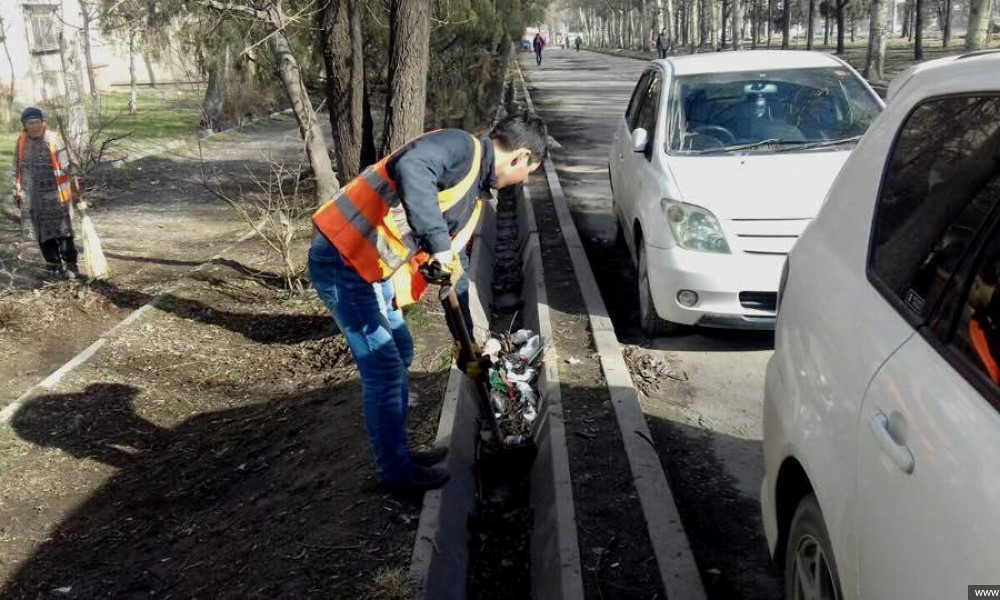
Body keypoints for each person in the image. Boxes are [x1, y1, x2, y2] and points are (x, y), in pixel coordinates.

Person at [308, 112, 549, 494]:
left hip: (368, 265)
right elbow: (412, 165)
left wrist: (467, 343)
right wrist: (436, 243)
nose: (523, 181)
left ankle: (399, 455)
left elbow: (457, 268)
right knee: (384, 369)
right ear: (520, 157)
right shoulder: (460, 147)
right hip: (342, 256)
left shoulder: (473, 195)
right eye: (529, 171)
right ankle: (395, 474)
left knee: (400, 349)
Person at [10, 107, 79, 280]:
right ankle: (53, 266)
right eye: (30, 123)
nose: (34, 126)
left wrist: (73, 166)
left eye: (36, 122)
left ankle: (71, 264)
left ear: (42, 122)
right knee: (40, 232)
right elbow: (16, 166)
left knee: (63, 231)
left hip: (55, 196)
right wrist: (16, 189)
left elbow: (66, 165)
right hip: (32, 197)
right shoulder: (21, 141)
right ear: (25, 125)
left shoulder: (54, 139)